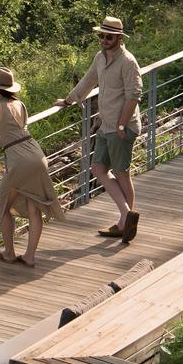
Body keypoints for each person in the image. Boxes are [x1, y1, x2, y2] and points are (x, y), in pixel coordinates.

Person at [0, 66, 63, 267]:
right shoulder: (20, 104)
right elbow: (7, 130)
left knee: (2, 207)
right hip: (36, 154)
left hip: (18, 160)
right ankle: (29, 257)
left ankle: (9, 252)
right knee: (34, 207)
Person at [56, 15, 142, 240]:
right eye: (102, 35)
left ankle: (125, 223)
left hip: (122, 126)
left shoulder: (128, 62)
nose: (104, 39)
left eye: (109, 36)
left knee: (122, 173)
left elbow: (134, 96)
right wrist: (68, 100)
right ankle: (126, 215)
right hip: (106, 125)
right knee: (98, 168)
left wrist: (122, 124)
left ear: (119, 38)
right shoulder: (100, 58)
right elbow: (87, 81)